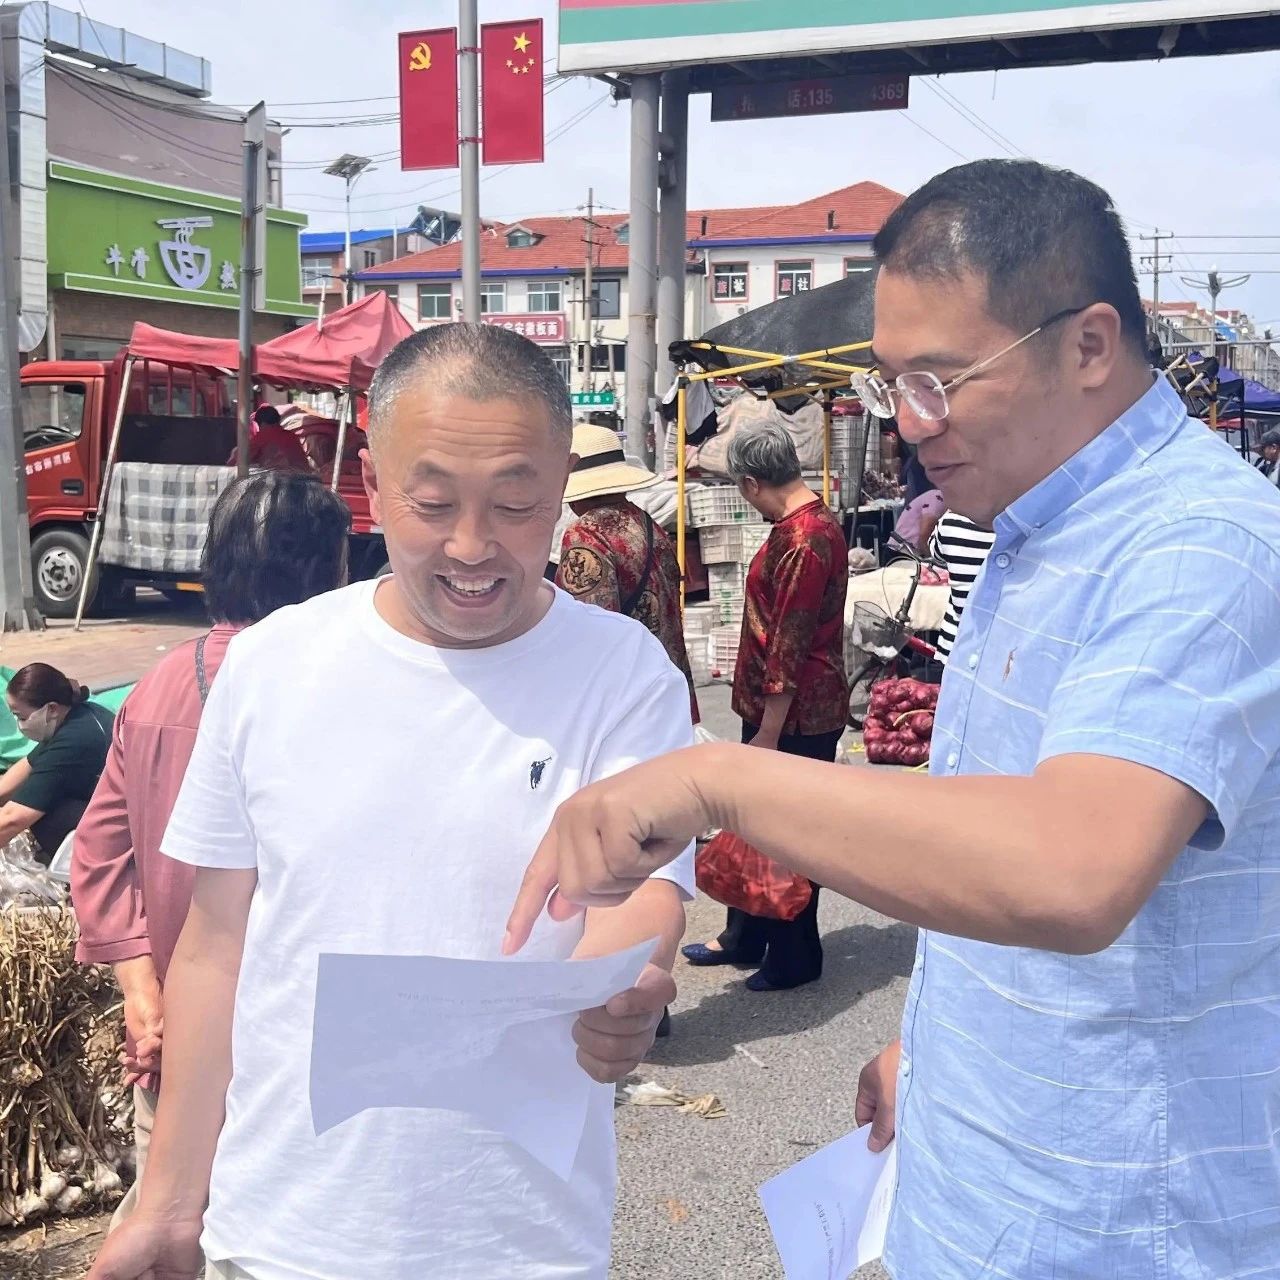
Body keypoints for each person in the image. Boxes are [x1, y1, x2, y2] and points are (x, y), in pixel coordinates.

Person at [507, 160, 1280, 1280]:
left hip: (1117, 1223)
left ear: (1088, 343)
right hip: (983, 1177)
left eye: (939, 381)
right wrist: (940, 1039)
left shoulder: (1197, 545)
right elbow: (987, 823)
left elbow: (1071, 866)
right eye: (891, 385)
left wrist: (718, 778)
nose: (910, 425)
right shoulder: (1029, 526)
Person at [88, 322, 693, 1280]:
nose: (472, 546)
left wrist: (623, 982)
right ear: (370, 479)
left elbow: (643, 892)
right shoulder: (273, 667)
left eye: (517, 503)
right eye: (433, 502)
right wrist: (168, 1205)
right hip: (283, 1229)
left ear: (563, 484)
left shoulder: (623, 676)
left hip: (517, 1236)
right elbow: (214, 946)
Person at [73, 471, 352, 1232]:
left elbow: (98, 854)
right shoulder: (342, 685)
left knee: (168, 1224)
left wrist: (141, 991)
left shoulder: (156, 684)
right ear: (329, 570)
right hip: (302, 1048)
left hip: (170, 1033)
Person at [681, 422, 848, 993]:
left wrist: (769, 731)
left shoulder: (806, 539)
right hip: (778, 705)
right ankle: (746, 934)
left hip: (796, 712)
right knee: (755, 822)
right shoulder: (799, 526)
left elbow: (789, 642)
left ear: (752, 483)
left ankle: (795, 953)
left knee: (789, 831)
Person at [556, 422, 699, 723]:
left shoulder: (585, 535)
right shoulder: (648, 523)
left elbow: (589, 628)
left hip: (625, 694)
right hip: (665, 680)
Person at [0, 663, 112, 862]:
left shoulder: (75, 740)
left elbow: (11, 820)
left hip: (127, 827)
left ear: (51, 708)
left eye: (21, 716)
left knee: (43, 814)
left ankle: (85, 867)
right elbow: (26, 767)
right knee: (28, 792)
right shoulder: (73, 714)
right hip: (109, 801)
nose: (20, 725)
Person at [927, 510, 996, 664]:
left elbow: (936, 551)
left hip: (956, 644)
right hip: (1000, 650)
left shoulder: (950, 522)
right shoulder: (1022, 524)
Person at [227, 404, 310, 471]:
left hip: (282, 482)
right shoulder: (292, 436)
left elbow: (241, 460)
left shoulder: (262, 436)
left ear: (261, 423)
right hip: (303, 480)